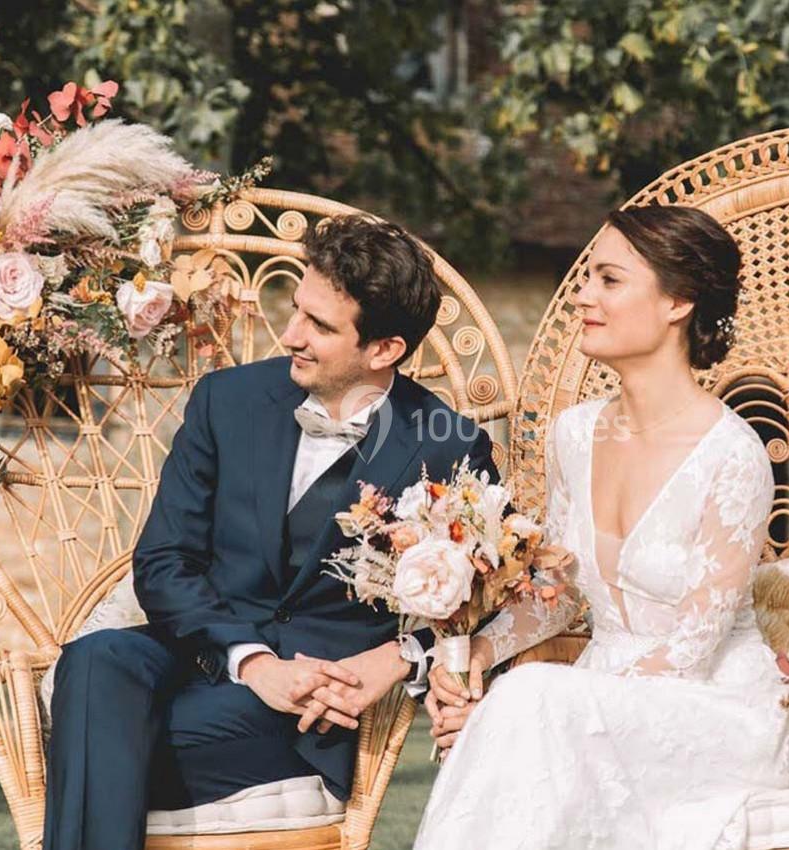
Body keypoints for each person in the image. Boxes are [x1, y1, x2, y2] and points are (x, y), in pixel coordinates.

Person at [43, 214, 497, 850]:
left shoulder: (450, 447)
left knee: (92, 729)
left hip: (313, 704)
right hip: (202, 652)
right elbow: (164, 560)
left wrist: (391, 662)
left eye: (319, 325)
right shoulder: (225, 400)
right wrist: (251, 660)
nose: (290, 335)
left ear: (384, 349)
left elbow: (472, 608)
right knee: (94, 660)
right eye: (296, 310)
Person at [414, 205, 789, 850]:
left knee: (529, 703)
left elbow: (688, 651)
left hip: (708, 709)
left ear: (677, 301)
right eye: (588, 278)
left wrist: (516, 711)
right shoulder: (575, 433)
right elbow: (558, 596)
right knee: (526, 705)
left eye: (608, 280)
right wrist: (480, 656)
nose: (583, 297)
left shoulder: (733, 454)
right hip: (591, 700)